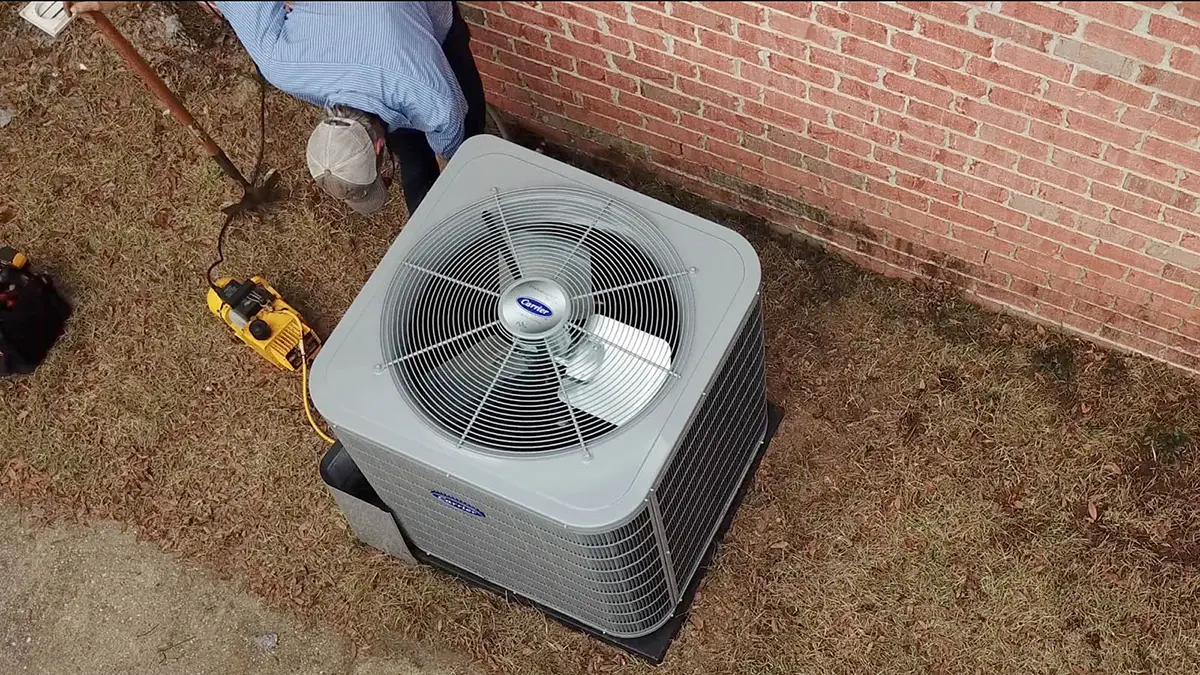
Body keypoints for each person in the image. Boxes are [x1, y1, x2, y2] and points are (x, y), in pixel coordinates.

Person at [67, 1, 487, 216]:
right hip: (389, 59)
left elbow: (456, 155)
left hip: (427, 25)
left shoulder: (432, 95)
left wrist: (462, 197)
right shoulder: (283, 64)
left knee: (464, 149)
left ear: (377, 148)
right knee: (417, 162)